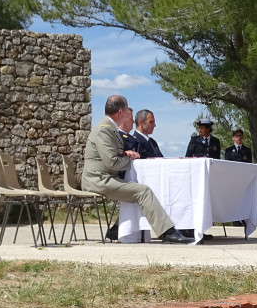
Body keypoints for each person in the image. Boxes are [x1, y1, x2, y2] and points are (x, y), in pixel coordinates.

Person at [82, 95, 191, 243]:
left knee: (141, 189)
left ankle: (120, 229)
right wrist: (129, 158)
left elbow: (110, 155)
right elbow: (112, 163)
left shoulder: (109, 128)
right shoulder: (104, 129)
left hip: (106, 178)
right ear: (120, 112)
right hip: (99, 181)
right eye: (127, 109)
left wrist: (123, 153)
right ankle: (167, 232)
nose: (129, 113)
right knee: (143, 191)